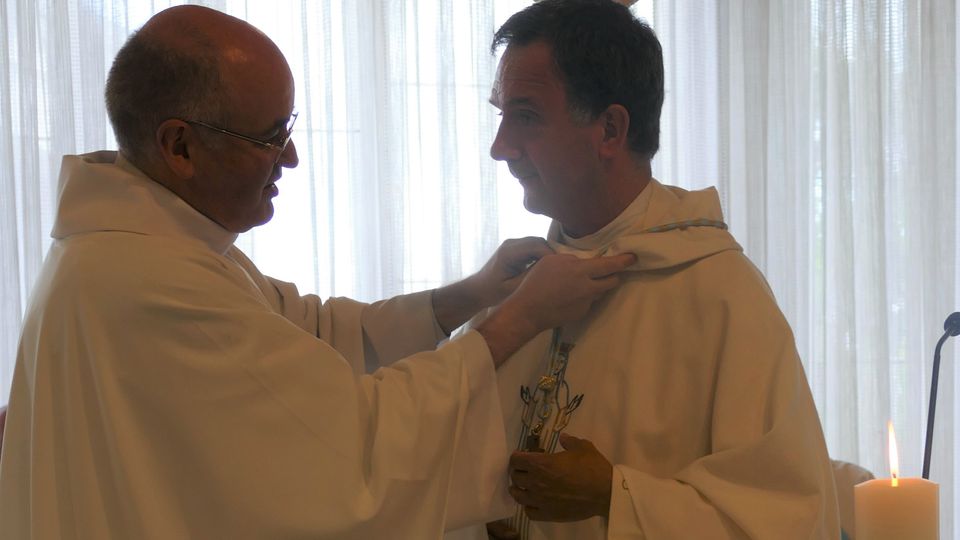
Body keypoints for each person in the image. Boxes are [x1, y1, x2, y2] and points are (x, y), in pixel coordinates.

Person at [0, 6, 637, 539]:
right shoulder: (147, 282)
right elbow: (354, 455)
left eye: (290, 127)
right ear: (180, 145)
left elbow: (312, 331)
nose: (292, 157)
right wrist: (518, 319)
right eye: (270, 136)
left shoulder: (152, 244)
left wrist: (467, 296)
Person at [446, 1, 840, 539]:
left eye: (527, 116)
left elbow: (788, 519)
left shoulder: (722, 297)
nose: (500, 148)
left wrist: (615, 498)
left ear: (610, 129)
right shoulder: (513, 290)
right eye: (501, 116)